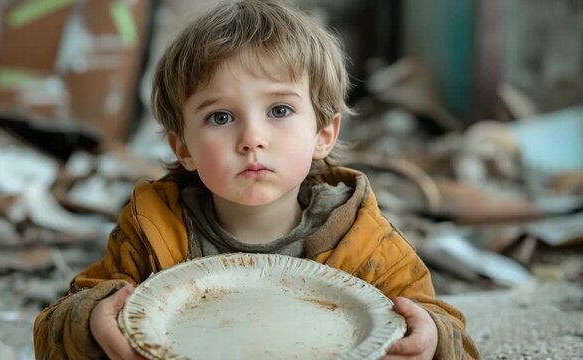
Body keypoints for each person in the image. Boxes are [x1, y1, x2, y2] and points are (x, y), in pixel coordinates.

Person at [34, 0, 479, 359]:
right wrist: (91, 323)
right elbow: (52, 331)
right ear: (182, 147)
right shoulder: (151, 233)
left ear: (324, 133)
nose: (251, 139)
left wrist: (432, 338)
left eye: (279, 110)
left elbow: (452, 335)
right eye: (220, 116)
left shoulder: (363, 242)